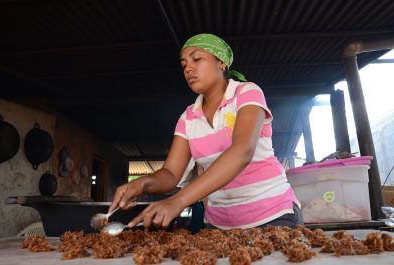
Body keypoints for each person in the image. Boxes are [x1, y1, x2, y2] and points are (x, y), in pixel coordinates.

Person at [109, 33, 302, 230]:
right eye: (184, 65)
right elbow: (170, 173)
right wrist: (141, 184)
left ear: (221, 63)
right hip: (219, 225)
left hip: (272, 215)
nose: (188, 69)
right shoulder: (188, 117)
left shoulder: (246, 93)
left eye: (197, 58)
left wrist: (178, 201)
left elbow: (242, 150)